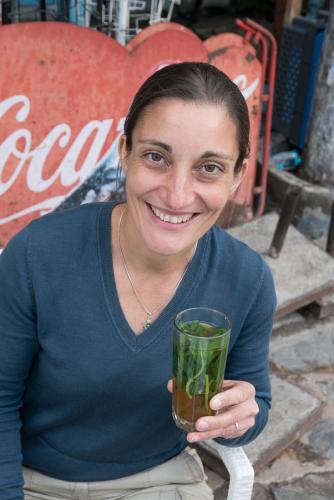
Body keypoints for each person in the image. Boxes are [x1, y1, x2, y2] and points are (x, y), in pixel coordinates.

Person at [0, 62, 276, 500]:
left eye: (209, 168)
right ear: (124, 151)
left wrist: (241, 417)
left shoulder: (248, 279)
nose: (178, 195)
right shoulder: (37, 254)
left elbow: (253, 402)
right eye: (156, 157)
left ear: (238, 175)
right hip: (34, 479)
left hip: (159, 478)